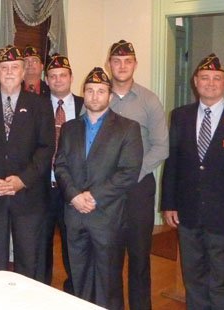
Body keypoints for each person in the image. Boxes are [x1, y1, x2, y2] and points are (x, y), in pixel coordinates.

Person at [161, 53, 224, 309]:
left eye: (216, 78)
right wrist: (169, 204)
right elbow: (173, 163)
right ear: (195, 82)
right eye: (204, 77)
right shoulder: (180, 116)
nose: (210, 83)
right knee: (194, 280)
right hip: (189, 216)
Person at [54, 67, 143, 310]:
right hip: (74, 214)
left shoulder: (128, 128)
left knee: (108, 283)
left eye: (101, 91)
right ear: (84, 93)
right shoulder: (70, 127)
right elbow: (60, 165)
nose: (94, 96)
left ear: (110, 96)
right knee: (79, 278)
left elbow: (128, 172)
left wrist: (92, 196)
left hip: (107, 217)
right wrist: (73, 196)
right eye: (90, 91)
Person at [0, 45, 54, 279]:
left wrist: (23, 180)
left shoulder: (40, 105)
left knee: (29, 261)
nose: (9, 72)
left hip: (28, 195)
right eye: (4, 68)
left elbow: (46, 148)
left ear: (24, 71)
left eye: (14, 67)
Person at [106, 40, 169, 310]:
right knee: (109, 258)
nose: (122, 66)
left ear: (135, 64)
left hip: (139, 189)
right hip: (105, 191)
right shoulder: (96, 95)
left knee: (140, 258)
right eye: (117, 61)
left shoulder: (149, 100)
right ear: (109, 64)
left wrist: (134, 173)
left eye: (128, 61)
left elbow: (161, 146)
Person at [36, 53, 83, 291]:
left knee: (72, 241)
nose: (58, 80)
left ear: (71, 77)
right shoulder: (35, 105)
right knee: (42, 242)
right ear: (46, 79)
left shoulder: (85, 105)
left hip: (73, 187)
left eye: (62, 75)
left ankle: (74, 287)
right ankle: (42, 287)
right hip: (43, 186)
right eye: (52, 76)